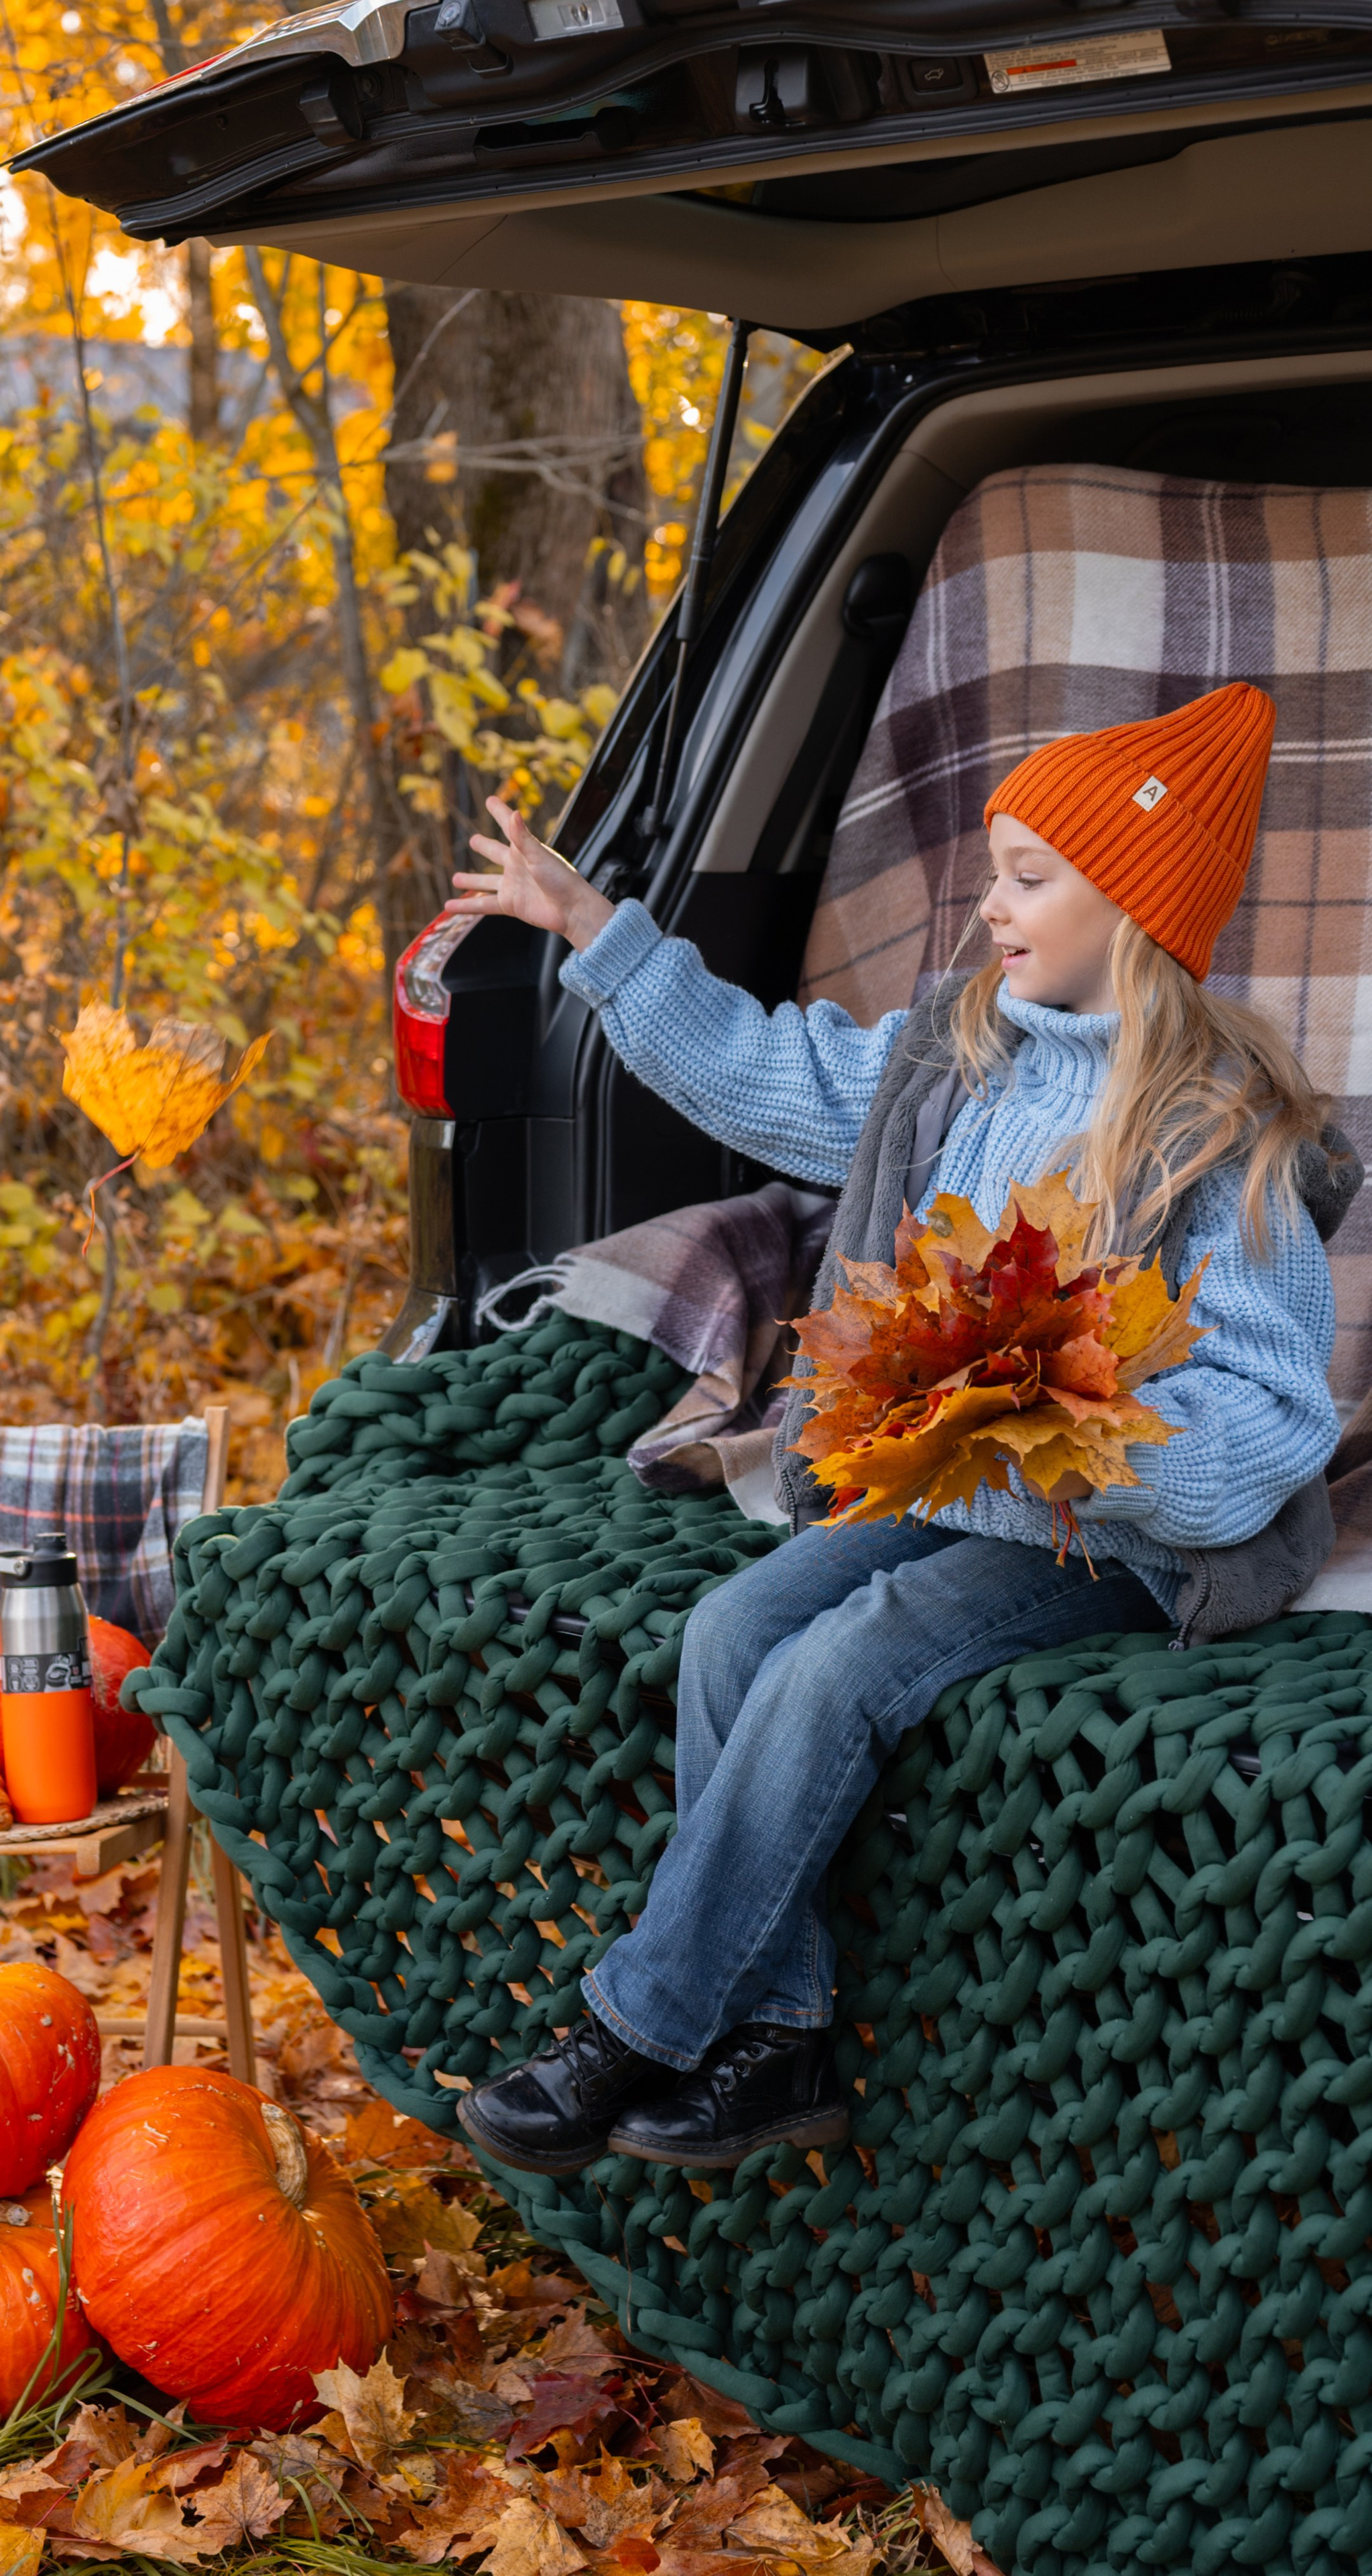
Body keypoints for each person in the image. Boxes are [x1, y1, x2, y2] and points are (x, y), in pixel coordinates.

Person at [440, 682, 1359, 2176]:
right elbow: (761, 1075)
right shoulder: (957, 1057)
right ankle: (782, 2037)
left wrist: (1086, 1421)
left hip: (1098, 1533)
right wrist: (593, 931)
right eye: (990, 867)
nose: (985, 903)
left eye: (1022, 875)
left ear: (1123, 899)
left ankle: (638, 2025)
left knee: (841, 1666)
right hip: (937, 1496)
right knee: (729, 1632)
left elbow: (1268, 1418)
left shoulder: (1218, 1142)